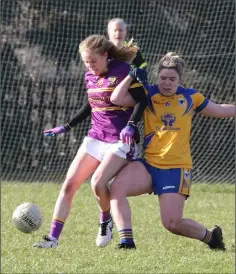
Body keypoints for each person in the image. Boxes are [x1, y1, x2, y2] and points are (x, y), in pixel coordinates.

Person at [108, 52, 235, 249]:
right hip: (148, 164)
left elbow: (221, 110)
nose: (167, 83)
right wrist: (132, 75)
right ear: (156, 76)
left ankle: (211, 237)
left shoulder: (191, 97)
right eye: (163, 78)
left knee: (172, 223)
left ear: (180, 80)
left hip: (176, 168)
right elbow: (116, 98)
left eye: (172, 79)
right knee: (116, 188)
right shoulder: (148, 94)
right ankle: (126, 242)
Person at [33, 34, 148, 248]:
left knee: (97, 182)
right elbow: (92, 105)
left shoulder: (123, 70)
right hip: (95, 137)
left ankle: (105, 220)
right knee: (69, 185)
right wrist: (67, 126)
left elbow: (143, 100)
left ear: (105, 55)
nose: (90, 66)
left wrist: (131, 125)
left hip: (120, 140)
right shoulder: (89, 76)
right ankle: (52, 239)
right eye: (86, 62)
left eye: (93, 61)